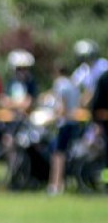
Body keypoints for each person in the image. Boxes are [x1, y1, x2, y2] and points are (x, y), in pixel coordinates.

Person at [48, 62, 81, 195]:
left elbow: (62, 107)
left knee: (58, 155)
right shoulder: (73, 85)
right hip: (74, 123)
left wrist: (50, 117)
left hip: (64, 124)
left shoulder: (60, 84)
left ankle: (56, 184)